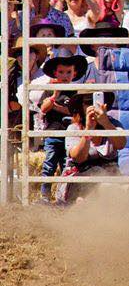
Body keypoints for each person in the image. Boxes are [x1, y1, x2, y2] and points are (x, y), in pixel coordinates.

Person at [36, 54, 87, 202]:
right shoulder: (49, 90)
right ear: (55, 73)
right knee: (49, 165)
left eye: (69, 72)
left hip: (69, 136)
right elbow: (44, 108)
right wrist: (54, 94)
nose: (65, 75)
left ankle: (64, 195)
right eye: (61, 72)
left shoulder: (75, 93)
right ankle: (44, 196)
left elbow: (74, 113)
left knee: (66, 166)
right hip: (53, 134)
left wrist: (56, 107)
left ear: (74, 73)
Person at [58, 91, 126, 203]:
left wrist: (105, 123)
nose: (93, 106)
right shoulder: (74, 128)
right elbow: (78, 157)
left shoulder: (113, 125)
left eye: (97, 102)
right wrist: (88, 130)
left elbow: (121, 144)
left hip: (110, 179)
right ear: (81, 106)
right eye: (88, 102)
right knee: (100, 176)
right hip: (81, 180)